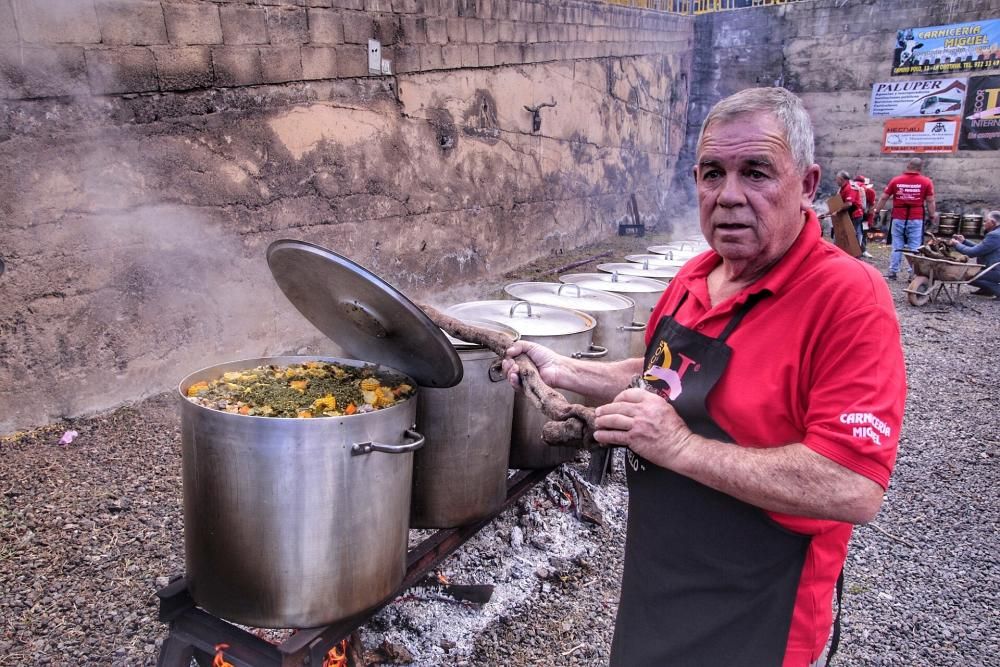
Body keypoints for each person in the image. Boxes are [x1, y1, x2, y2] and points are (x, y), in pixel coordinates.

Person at [503, 87, 906, 667]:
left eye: (757, 172)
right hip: (660, 577)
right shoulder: (697, 275)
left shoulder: (848, 298)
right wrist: (566, 369)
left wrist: (680, 447)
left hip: (759, 609)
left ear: (808, 185)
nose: (729, 196)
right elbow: (658, 374)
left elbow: (852, 484)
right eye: (712, 173)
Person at [873, 157, 938, 280]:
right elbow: (930, 201)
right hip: (916, 217)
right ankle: (912, 273)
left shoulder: (896, 180)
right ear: (920, 168)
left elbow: (884, 198)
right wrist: (932, 215)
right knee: (915, 246)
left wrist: (876, 212)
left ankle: (893, 272)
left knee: (897, 244)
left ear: (908, 166)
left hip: (898, 217)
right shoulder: (926, 182)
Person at [948, 210, 1000, 298]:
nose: (983, 224)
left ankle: (996, 289)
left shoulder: (994, 235)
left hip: (996, 271)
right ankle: (986, 290)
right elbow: (983, 248)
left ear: (992, 222)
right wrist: (964, 242)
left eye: (985, 221)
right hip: (995, 269)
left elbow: (972, 253)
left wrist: (956, 244)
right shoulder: (997, 233)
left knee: (965, 275)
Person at [833, 170, 865, 252]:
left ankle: (855, 253)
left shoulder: (849, 187)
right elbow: (838, 201)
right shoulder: (842, 188)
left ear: (841, 179)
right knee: (848, 234)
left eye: (837, 179)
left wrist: (837, 210)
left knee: (851, 235)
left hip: (854, 214)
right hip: (847, 214)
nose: (836, 181)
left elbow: (849, 203)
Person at [855, 174, 877, 257]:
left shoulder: (850, 187)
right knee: (861, 232)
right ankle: (861, 250)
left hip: (856, 213)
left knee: (860, 232)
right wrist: (870, 219)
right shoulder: (870, 191)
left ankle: (861, 250)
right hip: (863, 214)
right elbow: (871, 206)